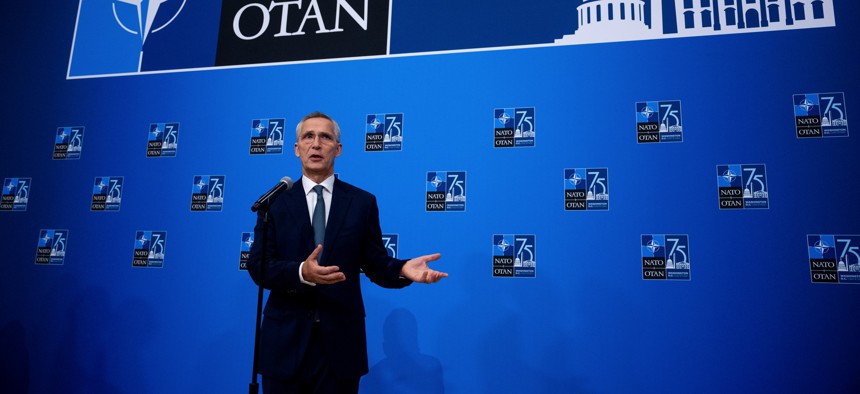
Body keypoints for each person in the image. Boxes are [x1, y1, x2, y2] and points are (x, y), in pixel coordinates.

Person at [248, 111, 447, 393]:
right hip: (284, 345)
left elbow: (376, 263)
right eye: (308, 136)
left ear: (338, 149)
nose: (316, 144)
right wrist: (301, 272)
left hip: (340, 346)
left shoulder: (361, 203)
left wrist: (402, 269)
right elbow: (259, 266)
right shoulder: (274, 203)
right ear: (296, 148)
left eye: (325, 137)